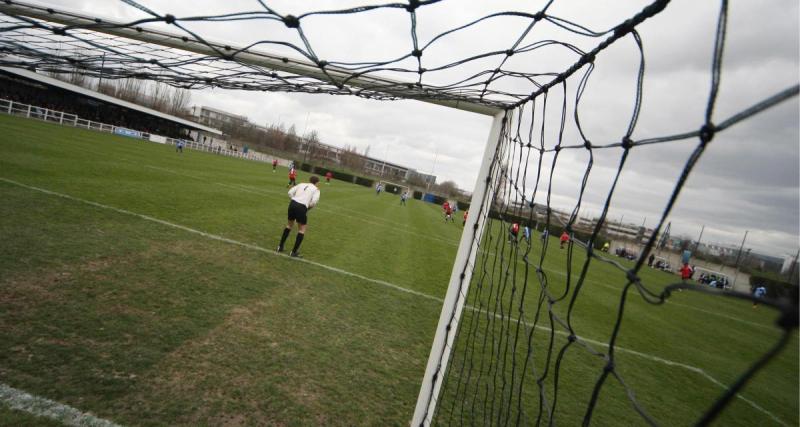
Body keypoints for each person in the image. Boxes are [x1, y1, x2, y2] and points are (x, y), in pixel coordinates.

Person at [277, 176, 321, 258]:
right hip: (302, 207)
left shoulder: (301, 184)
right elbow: (314, 202)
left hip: (293, 203)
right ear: (317, 182)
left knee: (289, 225)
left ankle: (280, 247)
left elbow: (290, 192)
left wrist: (294, 199)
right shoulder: (316, 190)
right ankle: (293, 252)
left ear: (310, 180)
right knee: (302, 229)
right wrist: (307, 208)